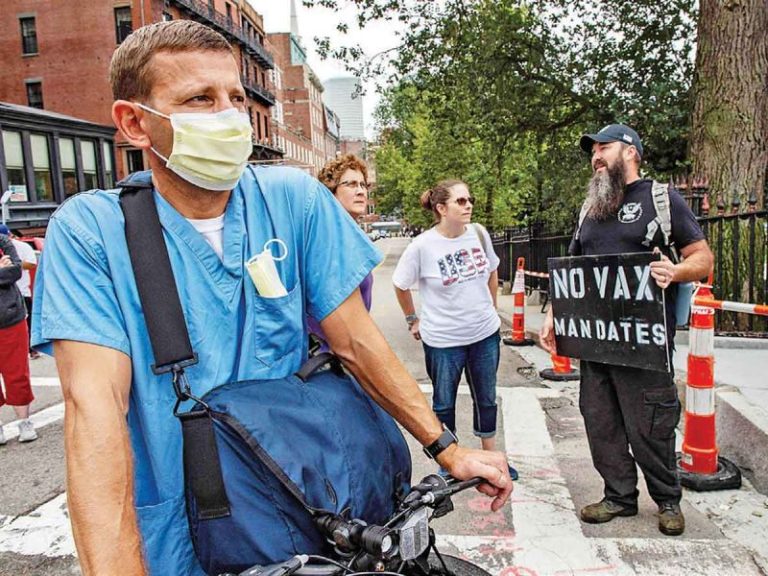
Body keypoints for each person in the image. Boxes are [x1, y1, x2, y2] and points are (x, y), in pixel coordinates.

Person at [30, 21, 511, 576]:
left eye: (236, 98)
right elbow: (93, 413)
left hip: (301, 499)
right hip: (184, 521)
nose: (229, 116)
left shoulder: (293, 199)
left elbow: (356, 340)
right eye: (199, 99)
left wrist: (446, 447)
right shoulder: (92, 232)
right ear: (135, 122)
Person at [540, 124, 713, 536]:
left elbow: (702, 258)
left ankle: (667, 499)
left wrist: (675, 271)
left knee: (650, 423)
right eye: (593, 151)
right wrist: (554, 315)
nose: (596, 156)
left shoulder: (661, 199)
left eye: (604, 148)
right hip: (596, 342)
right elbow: (573, 270)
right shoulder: (591, 208)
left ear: (631, 152)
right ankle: (618, 496)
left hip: (643, 343)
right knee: (601, 422)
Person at [392, 180, 517, 479]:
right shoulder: (422, 246)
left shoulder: (479, 233)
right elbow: (400, 284)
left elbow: (492, 271)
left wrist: (492, 307)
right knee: (444, 402)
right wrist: (412, 319)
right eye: (460, 201)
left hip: (484, 335)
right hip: (443, 341)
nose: (468, 205)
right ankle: (449, 461)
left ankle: (490, 456)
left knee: (486, 397)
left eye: (469, 199)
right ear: (441, 208)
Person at [308, 154, 373, 352]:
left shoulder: (351, 235)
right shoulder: (327, 239)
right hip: (333, 352)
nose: (360, 191)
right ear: (331, 192)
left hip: (353, 345)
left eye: (363, 185)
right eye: (351, 184)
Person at [0, 229, 37, 445]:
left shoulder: (4, 242)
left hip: (11, 318)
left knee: (17, 371)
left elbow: (15, 271)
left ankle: (24, 421)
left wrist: (6, 270)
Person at [0, 225, 39, 359]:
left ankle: (32, 349)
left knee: (28, 323)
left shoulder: (19, 246)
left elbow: (25, 266)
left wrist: (14, 265)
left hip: (21, 293)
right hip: (10, 301)